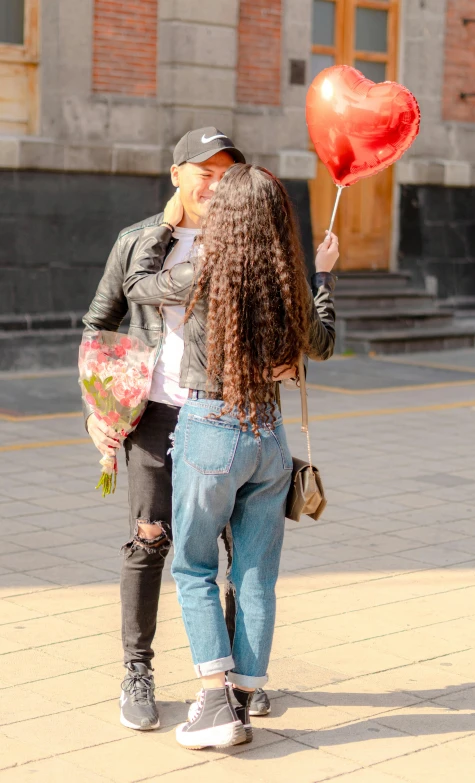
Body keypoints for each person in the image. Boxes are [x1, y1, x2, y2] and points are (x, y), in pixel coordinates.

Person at [123, 163, 338, 749]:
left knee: (194, 566)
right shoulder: (288, 282)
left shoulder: (199, 274)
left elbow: (137, 282)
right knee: (255, 575)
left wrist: (166, 228)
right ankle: (241, 704)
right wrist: (323, 276)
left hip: (211, 430)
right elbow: (324, 340)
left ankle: (215, 701)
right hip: (269, 438)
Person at [81, 127, 268, 731]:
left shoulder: (245, 240)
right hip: (155, 416)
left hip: (226, 413)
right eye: (203, 171)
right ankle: (137, 668)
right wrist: (98, 409)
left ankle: (236, 679)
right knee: (150, 540)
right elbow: (98, 321)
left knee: (235, 548)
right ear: (177, 174)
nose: (214, 183)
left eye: (226, 172)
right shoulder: (136, 241)